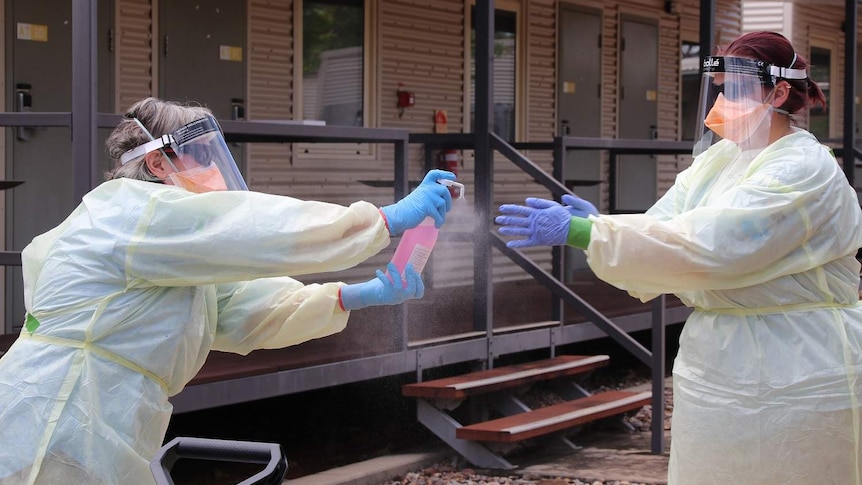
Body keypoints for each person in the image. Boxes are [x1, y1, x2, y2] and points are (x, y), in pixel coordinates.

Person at [0, 97, 457, 484]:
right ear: (156, 162)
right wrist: (387, 218)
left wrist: (355, 295)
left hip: (99, 413)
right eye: (198, 153)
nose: (211, 166)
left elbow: (237, 309)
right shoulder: (129, 214)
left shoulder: (164, 246)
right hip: (57, 412)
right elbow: (261, 232)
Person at [496, 31, 862, 484]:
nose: (725, 100)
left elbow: (711, 245)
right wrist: (607, 225)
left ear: (780, 92)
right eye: (723, 87)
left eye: (737, 89)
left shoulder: (803, 170)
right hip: (720, 360)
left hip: (799, 359)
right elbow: (669, 226)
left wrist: (591, 232)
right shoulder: (722, 160)